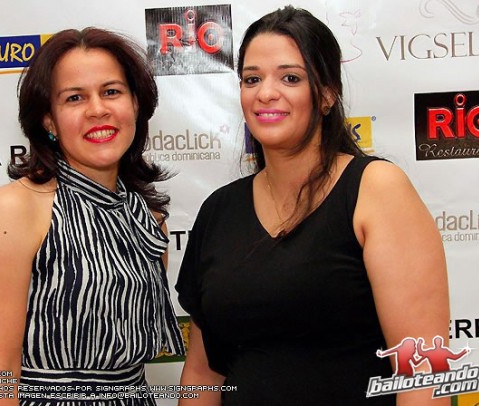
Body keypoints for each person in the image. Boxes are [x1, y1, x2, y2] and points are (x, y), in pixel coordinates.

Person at [175, 6, 449, 405]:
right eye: (252, 79)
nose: (266, 93)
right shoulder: (219, 210)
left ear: (327, 94)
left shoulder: (375, 190)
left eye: (290, 77)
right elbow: (203, 373)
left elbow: (422, 371)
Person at [0, 27, 184, 405]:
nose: (98, 109)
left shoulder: (148, 218)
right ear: (49, 120)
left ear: (135, 105)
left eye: (111, 91)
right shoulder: (14, 209)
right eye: (74, 97)